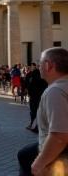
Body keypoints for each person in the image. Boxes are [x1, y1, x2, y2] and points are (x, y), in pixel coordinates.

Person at [18, 47, 68, 176]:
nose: (38, 66)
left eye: (40, 62)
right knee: (24, 154)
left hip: (60, 156)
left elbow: (59, 136)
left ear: (48, 65)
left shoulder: (55, 91)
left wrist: (39, 162)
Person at [25, 63, 48, 133]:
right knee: (40, 112)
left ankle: (33, 125)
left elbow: (29, 87)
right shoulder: (44, 78)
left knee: (33, 112)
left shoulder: (32, 77)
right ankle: (39, 126)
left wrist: (29, 93)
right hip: (42, 97)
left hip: (34, 97)